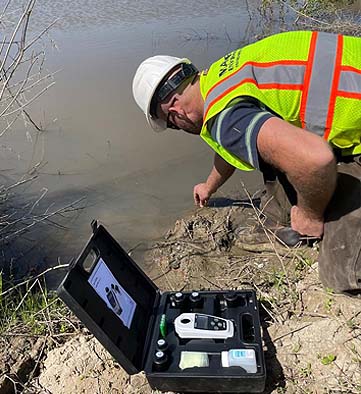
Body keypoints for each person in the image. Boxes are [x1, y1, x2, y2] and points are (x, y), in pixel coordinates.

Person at [132, 30, 361, 294]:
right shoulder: (219, 78)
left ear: (176, 113)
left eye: (172, 126)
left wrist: (310, 214)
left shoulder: (225, 119)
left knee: (340, 275)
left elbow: (316, 160)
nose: (179, 128)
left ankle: (309, 227)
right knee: (272, 146)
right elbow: (237, 142)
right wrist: (209, 186)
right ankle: (287, 222)